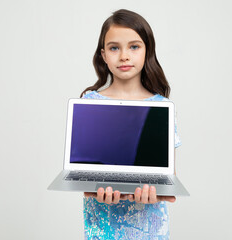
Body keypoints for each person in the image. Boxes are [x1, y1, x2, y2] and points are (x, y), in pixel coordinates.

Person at [80, 9, 181, 239]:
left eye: (134, 47)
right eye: (115, 48)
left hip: (149, 229)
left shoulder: (162, 106)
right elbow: (84, 173)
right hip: (103, 227)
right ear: (104, 55)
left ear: (147, 51)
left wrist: (157, 193)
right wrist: (94, 188)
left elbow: (169, 177)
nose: (124, 56)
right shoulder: (90, 101)